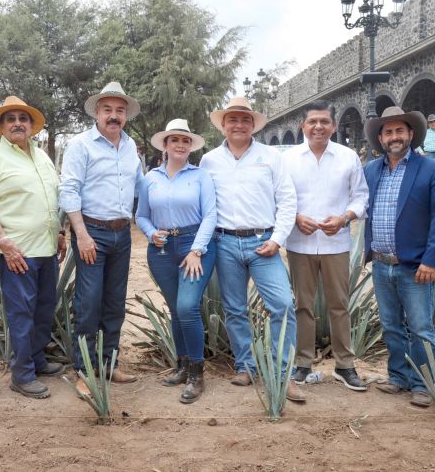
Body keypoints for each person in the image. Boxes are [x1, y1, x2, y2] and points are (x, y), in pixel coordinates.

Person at [198, 96, 304, 402]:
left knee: (282, 305)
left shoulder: (271, 157)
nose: (239, 125)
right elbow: (204, 205)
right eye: (233, 120)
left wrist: (278, 238)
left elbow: (287, 200)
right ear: (223, 125)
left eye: (245, 120)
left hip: (264, 243)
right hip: (225, 242)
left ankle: (283, 375)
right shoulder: (209, 161)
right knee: (234, 309)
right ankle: (245, 366)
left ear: (253, 125)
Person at [0, 96, 66, 399]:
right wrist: (3, 242)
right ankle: (21, 374)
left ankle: (36, 360)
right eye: (10, 119)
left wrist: (60, 232)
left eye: (23, 119)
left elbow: (51, 198)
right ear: (1, 126)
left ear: (31, 126)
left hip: (47, 247)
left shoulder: (43, 157)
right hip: (16, 251)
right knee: (21, 312)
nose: (17, 123)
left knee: (44, 308)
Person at [362, 106, 435, 408]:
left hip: (416, 267)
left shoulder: (432, 169)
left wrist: (431, 261)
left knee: (421, 328)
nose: (394, 136)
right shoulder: (371, 171)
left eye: (399, 130)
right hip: (382, 264)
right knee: (390, 326)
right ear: (380, 138)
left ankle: (422, 384)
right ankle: (398, 377)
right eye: (388, 132)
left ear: (411, 134)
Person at [59, 82, 144, 397]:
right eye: (107, 110)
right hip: (91, 232)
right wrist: (80, 234)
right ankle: (83, 371)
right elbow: (68, 189)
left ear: (125, 116)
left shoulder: (130, 146)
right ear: (97, 112)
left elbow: (140, 188)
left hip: (122, 234)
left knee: (114, 303)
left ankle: (109, 364)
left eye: (119, 111)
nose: (113, 116)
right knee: (88, 303)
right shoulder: (81, 145)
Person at [282, 100, 369, 393]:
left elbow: (361, 197)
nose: (318, 126)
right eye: (312, 122)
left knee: (339, 305)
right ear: (302, 126)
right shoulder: (289, 159)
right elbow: (278, 197)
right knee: (302, 305)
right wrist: (295, 219)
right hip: (300, 243)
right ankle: (303, 364)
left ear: (333, 125)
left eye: (324, 121)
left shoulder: (348, 158)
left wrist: (345, 217)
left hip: (337, 243)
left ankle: (345, 365)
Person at [135, 119, 217, 404]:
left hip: (195, 245)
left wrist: (196, 250)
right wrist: (150, 233)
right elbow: (141, 215)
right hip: (161, 249)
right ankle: (182, 366)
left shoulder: (200, 176)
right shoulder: (150, 178)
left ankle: (197, 372)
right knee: (174, 308)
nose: (180, 145)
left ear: (191, 146)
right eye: (174, 140)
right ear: (166, 145)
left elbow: (211, 215)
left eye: (185, 140)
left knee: (187, 306)